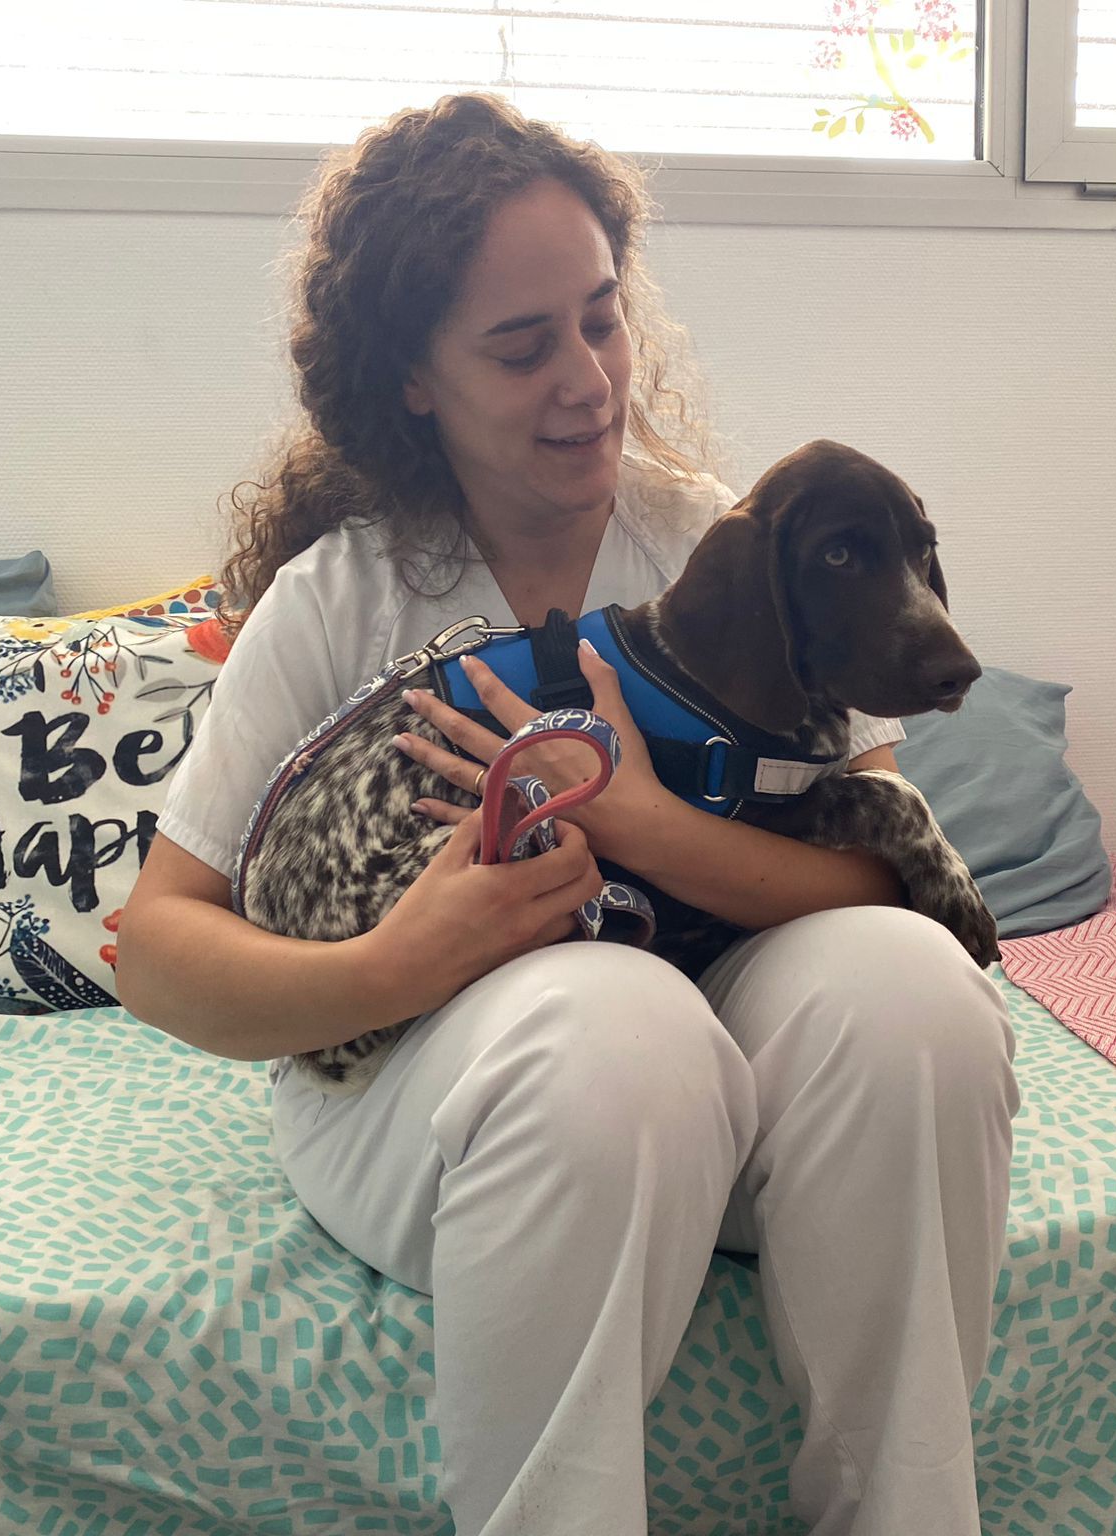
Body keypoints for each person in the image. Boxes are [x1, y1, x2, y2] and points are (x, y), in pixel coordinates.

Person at [117, 92, 1019, 1536]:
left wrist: (649, 826)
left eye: (600, 319)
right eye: (522, 344)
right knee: (613, 1021)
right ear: (414, 377)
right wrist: (400, 962)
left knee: (914, 993)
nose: (589, 378)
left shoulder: (714, 538)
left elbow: (882, 863)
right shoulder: (346, 600)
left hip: (727, 1095)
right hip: (423, 1097)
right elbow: (157, 952)